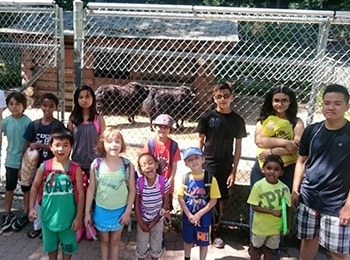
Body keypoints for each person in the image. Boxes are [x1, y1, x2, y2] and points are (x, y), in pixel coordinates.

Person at [292, 84, 350, 260]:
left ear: (347, 106)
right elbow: (301, 160)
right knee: (308, 240)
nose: (331, 107)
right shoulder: (312, 130)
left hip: (336, 203)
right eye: (327, 103)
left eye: (337, 103)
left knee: (337, 251)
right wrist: (296, 189)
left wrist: (348, 206)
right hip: (309, 198)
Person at [195, 82, 247, 248]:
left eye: (226, 96)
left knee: (220, 198)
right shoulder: (207, 118)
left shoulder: (238, 120)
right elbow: (200, 142)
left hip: (225, 165)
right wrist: (198, 163)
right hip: (208, 163)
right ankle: (200, 227)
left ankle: (217, 230)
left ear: (232, 97)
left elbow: (238, 147)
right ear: (214, 98)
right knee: (203, 195)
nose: (222, 99)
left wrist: (234, 170)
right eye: (219, 96)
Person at [28, 127, 85, 260]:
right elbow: (35, 187)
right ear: (51, 147)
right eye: (57, 145)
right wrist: (31, 208)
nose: (61, 149)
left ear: (71, 147)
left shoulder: (75, 168)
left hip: (69, 221)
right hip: (48, 219)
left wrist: (78, 217)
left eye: (65, 145)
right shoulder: (45, 167)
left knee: (68, 250)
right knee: (51, 249)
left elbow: (81, 194)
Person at [85, 127, 136, 260]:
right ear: (103, 144)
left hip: (120, 211)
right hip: (102, 210)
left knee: (115, 240)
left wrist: (127, 212)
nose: (114, 144)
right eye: (109, 141)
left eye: (117, 141)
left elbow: (132, 190)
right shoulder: (96, 165)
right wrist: (86, 213)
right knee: (104, 240)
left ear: (122, 144)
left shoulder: (127, 165)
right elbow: (91, 189)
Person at [23, 93, 65, 237]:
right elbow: (27, 146)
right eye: (45, 105)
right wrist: (23, 167)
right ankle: (37, 226)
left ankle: (49, 226)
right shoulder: (34, 125)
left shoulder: (58, 126)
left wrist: (41, 145)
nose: (47, 109)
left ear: (56, 108)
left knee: (51, 196)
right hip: (36, 168)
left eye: (51, 106)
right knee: (38, 197)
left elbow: (60, 148)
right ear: (40, 105)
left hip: (52, 167)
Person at [251, 85, 304, 190]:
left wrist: (271, 152)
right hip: (264, 166)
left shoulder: (297, 122)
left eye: (284, 100)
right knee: (257, 201)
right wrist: (286, 143)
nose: (280, 104)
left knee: (283, 203)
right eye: (276, 100)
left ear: (290, 101)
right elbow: (260, 141)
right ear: (271, 102)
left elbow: (295, 146)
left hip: (287, 168)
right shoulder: (263, 121)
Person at [178, 147, 221, 260]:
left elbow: (213, 200)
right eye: (190, 160)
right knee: (187, 239)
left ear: (203, 159)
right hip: (189, 216)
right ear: (186, 163)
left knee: (203, 242)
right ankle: (187, 257)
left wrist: (198, 215)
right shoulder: (185, 178)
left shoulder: (210, 179)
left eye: (196, 158)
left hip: (204, 218)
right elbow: (181, 198)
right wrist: (189, 215)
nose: (194, 162)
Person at [247, 154, 291, 260]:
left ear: (281, 172)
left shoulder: (284, 188)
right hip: (260, 227)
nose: (272, 172)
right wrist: (271, 212)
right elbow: (254, 206)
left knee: (269, 250)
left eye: (276, 169)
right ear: (263, 169)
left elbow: (287, 209)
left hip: (275, 228)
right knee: (255, 248)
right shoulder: (258, 186)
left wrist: (286, 226)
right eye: (269, 168)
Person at [1, 92, 32, 231]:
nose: (14, 107)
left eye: (18, 104)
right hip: (10, 160)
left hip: (25, 161)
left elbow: (29, 142)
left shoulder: (28, 122)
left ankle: (26, 212)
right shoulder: (5, 121)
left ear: (23, 106)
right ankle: (7, 212)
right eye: (11, 104)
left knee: (26, 187)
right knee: (9, 187)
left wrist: (24, 161)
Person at [135, 152, 171, 260]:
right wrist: (141, 222)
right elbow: (136, 204)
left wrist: (155, 221)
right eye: (144, 164)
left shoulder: (163, 182)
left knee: (156, 246)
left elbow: (165, 205)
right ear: (141, 170)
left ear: (156, 165)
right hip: (143, 220)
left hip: (158, 221)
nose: (147, 166)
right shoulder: (139, 182)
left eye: (150, 163)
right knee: (141, 247)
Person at [142, 113, 181, 210]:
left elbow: (174, 166)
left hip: (166, 183)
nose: (162, 130)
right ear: (154, 127)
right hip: (152, 182)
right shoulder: (150, 144)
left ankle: (166, 224)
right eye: (159, 127)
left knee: (166, 208)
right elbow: (144, 162)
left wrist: (170, 180)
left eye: (166, 127)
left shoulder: (173, 146)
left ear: (170, 130)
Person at [68, 85, 105, 176]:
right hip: (77, 163)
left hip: (95, 163)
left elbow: (103, 142)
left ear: (93, 98)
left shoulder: (99, 119)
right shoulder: (72, 119)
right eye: (81, 97)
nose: (84, 100)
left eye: (87, 96)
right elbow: (69, 142)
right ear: (76, 99)